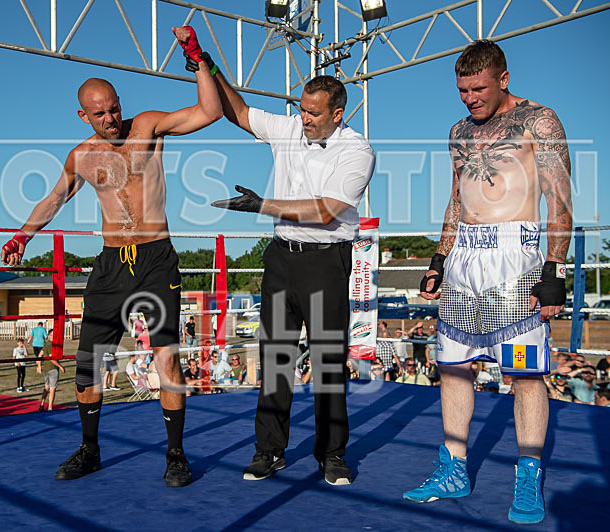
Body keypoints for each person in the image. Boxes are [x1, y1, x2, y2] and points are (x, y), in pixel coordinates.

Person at [0, 26, 221, 487]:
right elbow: (55, 199)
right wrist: (23, 235)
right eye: (100, 113)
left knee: (167, 360)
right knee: (88, 362)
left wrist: (196, 57)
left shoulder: (148, 127)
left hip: (156, 258)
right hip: (110, 261)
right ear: (83, 115)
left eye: (115, 108)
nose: (111, 118)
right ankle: (90, 449)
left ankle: (176, 455)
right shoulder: (81, 155)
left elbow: (210, 111)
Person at [404, 40, 573, 526]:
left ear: (503, 78)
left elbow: (559, 198)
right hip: (463, 261)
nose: (469, 98)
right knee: (454, 367)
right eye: (462, 90)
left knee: (524, 372)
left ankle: (528, 471)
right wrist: (439, 256)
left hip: (515, 259)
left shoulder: (540, 120)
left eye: (478, 88)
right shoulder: (458, 130)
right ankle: (453, 468)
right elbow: (456, 198)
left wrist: (554, 271)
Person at [210, 65, 375, 485]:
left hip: (326, 262)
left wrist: (263, 205)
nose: (304, 119)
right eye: (302, 110)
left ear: (338, 114)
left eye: (314, 114)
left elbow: (324, 212)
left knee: (328, 363)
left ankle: (332, 454)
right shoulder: (288, 129)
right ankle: (268, 451)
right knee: (276, 359)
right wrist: (211, 68)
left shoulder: (357, 151)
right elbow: (239, 112)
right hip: (281, 258)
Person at [37, 329, 66, 411]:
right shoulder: (50, 345)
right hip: (52, 369)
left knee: (46, 387)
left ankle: (42, 404)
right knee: (52, 388)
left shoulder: (46, 344)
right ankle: (50, 407)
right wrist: (60, 366)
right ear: (49, 335)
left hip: (46, 368)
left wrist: (39, 366)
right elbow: (51, 358)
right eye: (53, 335)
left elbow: (39, 355)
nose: (54, 337)